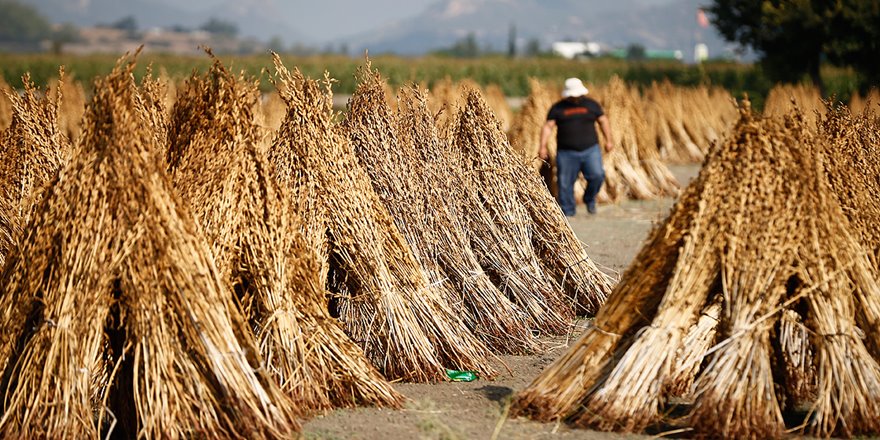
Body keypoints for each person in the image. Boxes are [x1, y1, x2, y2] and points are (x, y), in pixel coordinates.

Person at [538, 77, 614, 216]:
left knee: (597, 175)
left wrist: (608, 140)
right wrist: (542, 146)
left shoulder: (591, 105)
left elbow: (603, 121)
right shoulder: (558, 108)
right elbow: (548, 127)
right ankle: (568, 211)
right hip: (566, 152)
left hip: (590, 150)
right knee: (565, 183)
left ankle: (589, 198)